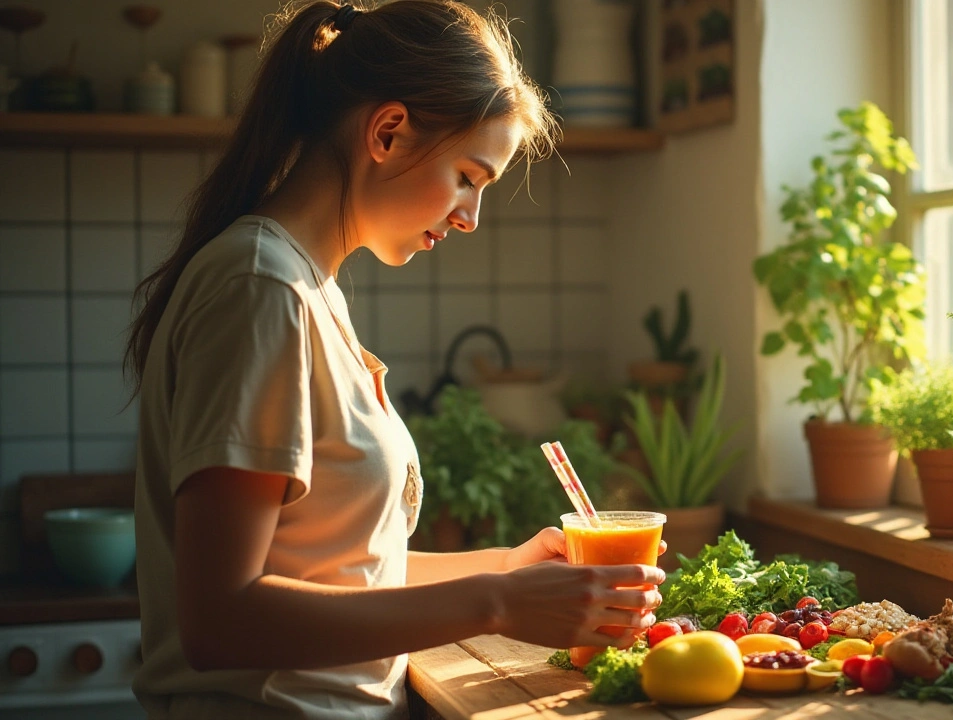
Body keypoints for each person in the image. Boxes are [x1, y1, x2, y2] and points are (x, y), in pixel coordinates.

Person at [123, 2, 664, 718]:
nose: (471, 216)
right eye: (470, 176)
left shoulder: (309, 288)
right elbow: (220, 619)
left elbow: (342, 575)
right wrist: (496, 603)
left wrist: (504, 568)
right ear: (387, 132)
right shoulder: (261, 289)